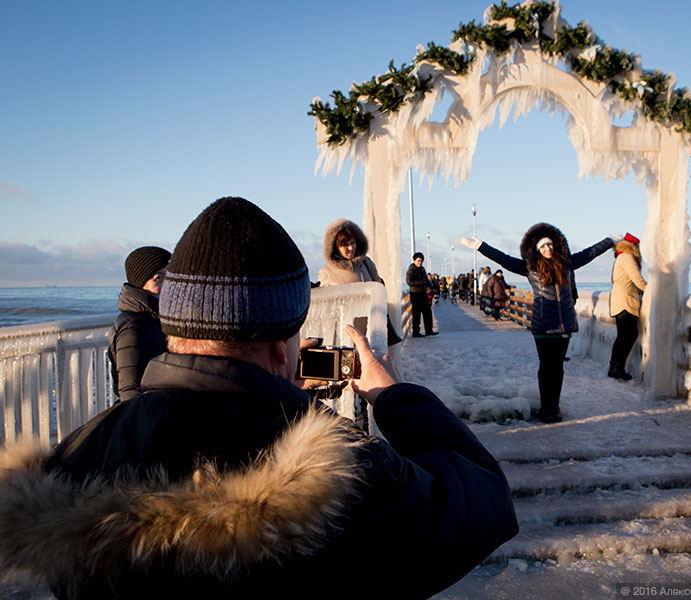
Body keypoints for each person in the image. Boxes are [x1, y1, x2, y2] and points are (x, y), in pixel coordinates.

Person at [0, 197, 517, 599]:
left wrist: (271, 393)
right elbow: (483, 499)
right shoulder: (335, 471)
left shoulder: (77, 459)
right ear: (281, 339)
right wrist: (391, 394)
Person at [462, 224, 619, 423]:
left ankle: (555, 406)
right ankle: (547, 408)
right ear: (537, 249)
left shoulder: (567, 263)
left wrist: (609, 241)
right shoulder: (530, 267)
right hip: (544, 324)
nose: (548, 249)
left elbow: (590, 253)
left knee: (558, 368)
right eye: (543, 247)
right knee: (546, 367)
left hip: (564, 325)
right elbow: (503, 259)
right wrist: (480, 246)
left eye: (550, 245)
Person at [318, 218, 401, 345]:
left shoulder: (366, 263)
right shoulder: (326, 272)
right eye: (345, 245)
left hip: (372, 329)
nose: (351, 248)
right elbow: (325, 309)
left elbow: (379, 288)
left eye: (353, 242)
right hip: (346, 336)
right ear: (335, 247)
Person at [108, 245, 171, 402]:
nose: (167, 286)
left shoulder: (156, 319)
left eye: (170, 278)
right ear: (140, 281)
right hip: (147, 417)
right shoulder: (134, 326)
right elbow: (131, 392)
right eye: (159, 278)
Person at [609, 233, 647, 381]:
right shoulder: (626, 256)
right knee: (629, 335)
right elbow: (636, 278)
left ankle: (614, 367)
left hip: (620, 299)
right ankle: (618, 368)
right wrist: (648, 290)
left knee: (622, 336)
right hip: (625, 300)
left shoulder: (621, 256)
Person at [406, 252, 437, 337]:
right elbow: (409, 281)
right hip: (415, 294)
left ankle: (429, 330)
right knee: (416, 314)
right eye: (418, 261)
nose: (420, 262)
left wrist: (430, 286)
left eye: (421, 261)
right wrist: (422, 283)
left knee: (427, 312)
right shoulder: (411, 269)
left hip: (423, 295)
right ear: (414, 260)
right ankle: (415, 332)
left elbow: (426, 280)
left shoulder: (422, 269)